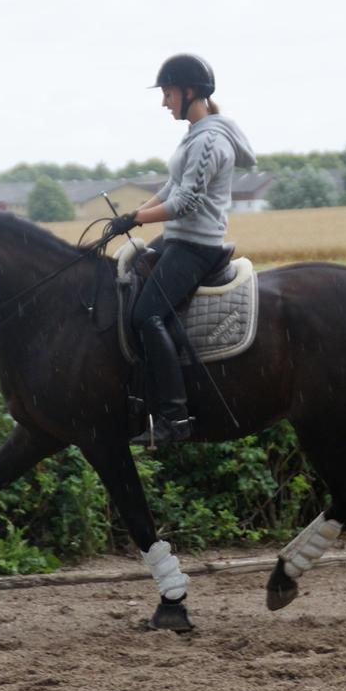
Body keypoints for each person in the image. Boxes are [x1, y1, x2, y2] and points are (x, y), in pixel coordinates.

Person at [107, 53, 256, 446]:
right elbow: (171, 188)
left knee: (147, 315)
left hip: (196, 246)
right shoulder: (194, 135)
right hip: (178, 239)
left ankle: (175, 418)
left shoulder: (210, 140)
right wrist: (133, 213)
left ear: (190, 92)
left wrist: (139, 219)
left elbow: (186, 202)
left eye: (168, 93)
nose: (164, 102)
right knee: (124, 286)